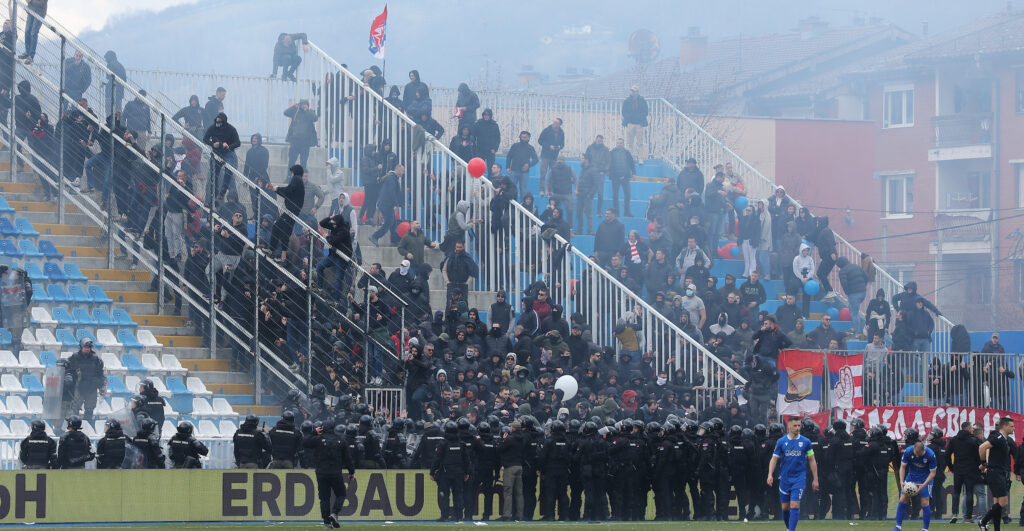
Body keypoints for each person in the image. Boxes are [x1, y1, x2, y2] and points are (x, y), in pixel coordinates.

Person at [767, 417, 819, 531]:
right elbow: (774, 459)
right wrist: (770, 474)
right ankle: (789, 528)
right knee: (785, 507)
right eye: (795, 426)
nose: (797, 428)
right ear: (789, 426)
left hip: (799, 478)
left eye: (799, 426)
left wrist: (815, 479)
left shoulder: (806, 442)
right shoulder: (781, 441)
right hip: (785, 478)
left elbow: (812, 460)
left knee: (795, 504)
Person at [303, 419, 356, 529]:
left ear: (322, 428)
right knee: (341, 494)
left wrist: (313, 432)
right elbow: (348, 458)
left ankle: (327, 522)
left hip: (321, 473)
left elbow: (304, 442)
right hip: (336, 473)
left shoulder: (318, 439)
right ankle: (334, 513)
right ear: (334, 428)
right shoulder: (341, 440)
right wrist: (351, 472)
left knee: (324, 498)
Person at [978, 417, 1014, 531]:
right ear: (1005, 426)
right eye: (1011, 426)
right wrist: (984, 463)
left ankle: (996, 529)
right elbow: (982, 447)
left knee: (998, 502)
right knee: (1003, 502)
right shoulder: (998, 437)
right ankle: (983, 521)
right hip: (995, 472)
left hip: (998, 472)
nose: (1013, 428)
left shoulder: (1003, 439)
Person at [892, 440, 938, 531]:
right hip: (911, 478)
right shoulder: (908, 451)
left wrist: (923, 485)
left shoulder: (930, 455)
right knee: (902, 499)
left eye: (919, 454)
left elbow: (933, 473)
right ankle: (898, 527)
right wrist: (901, 481)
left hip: (925, 478)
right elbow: (903, 467)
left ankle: (925, 529)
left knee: (924, 502)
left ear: (923, 450)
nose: (917, 456)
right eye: (915, 454)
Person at [432, 420, 471, 521]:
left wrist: (432, 472)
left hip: (445, 473)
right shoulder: (461, 444)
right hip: (459, 473)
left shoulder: (442, 443)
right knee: (458, 495)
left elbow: (437, 458)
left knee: (444, 496)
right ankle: (458, 516)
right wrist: (466, 472)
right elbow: (466, 460)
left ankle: (444, 516)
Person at [270, 164, 305, 261]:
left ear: (295, 172)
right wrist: (276, 190)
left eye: (292, 171)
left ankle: (280, 256)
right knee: (281, 229)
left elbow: (289, 190)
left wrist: (277, 189)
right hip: (293, 211)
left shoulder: (296, 179)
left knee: (281, 229)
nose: (292, 174)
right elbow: (289, 194)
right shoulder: (299, 181)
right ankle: (276, 253)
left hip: (291, 211)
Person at [203, 111, 241, 199]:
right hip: (216, 154)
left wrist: (228, 145)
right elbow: (205, 139)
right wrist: (213, 144)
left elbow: (237, 143)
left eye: (220, 121)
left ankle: (224, 189)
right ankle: (215, 195)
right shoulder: (212, 128)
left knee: (229, 169)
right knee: (214, 174)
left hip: (228, 153)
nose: (218, 123)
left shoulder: (231, 129)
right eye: (217, 121)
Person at [316, 211, 353, 299]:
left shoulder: (344, 231)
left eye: (335, 221)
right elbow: (322, 223)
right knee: (319, 266)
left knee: (338, 280)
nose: (333, 223)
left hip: (341, 258)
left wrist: (327, 237)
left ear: (339, 223)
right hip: (333, 255)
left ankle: (336, 300)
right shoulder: (335, 227)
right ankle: (319, 288)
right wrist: (330, 217)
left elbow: (333, 241)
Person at [66, 337, 105, 421]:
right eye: (85, 347)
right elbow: (69, 370)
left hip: (92, 387)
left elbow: (100, 374)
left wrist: (101, 386)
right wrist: (69, 377)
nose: (87, 349)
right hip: (78, 387)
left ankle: (87, 426)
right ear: (81, 347)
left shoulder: (96, 359)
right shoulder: (75, 357)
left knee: (90, 409)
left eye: (89, 347)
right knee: (74, 409)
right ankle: (73, 426)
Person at [369, 164, 405, 246]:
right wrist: (396, 203)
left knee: (394, 223)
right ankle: (375, 236)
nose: (403, 173)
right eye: (403, 171)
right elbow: (391, 191)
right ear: (398, 170)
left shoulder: (392, 177)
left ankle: (394, 241)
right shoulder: (392, 178)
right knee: (388, 223)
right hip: (387, 204)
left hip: (386, 203)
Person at [499, 419, 526, 521]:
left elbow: (500, 449)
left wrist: (503, 439)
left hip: (510, 467)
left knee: (508, 492)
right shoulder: (522, 438)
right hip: (519, 466)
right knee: (519, 493)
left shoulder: (510, 439)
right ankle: (520, 515)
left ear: (513, 428)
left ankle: (507, 515)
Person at [284, 99, 319, 167]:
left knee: (303, 162)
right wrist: (294, 106)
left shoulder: (310, 112)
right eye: (302, 104)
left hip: (305, 142)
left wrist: (307, 110)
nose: (303, 106)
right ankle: (289, 176)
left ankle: (302, 177)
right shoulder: (295, 111)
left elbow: (315, 118)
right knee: (291, 161)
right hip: (295, 141)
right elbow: (285, 113)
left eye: (305, 104)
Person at [506, 131, 538, 199]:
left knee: (523, 189)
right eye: (522, 137)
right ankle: (511, 204)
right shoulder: (515, 146)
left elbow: (536, 160)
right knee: (511, 188)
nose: (523, 139)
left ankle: (522, 206)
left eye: (525, 137)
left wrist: (528, 165)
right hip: (514, 170)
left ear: (528, 138)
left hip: (524, 172)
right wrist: (508, 167)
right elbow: (509, 156)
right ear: (520, 137)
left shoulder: (530, 148)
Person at [608, 138, 635, 217]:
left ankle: (627, 212)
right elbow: (607, 163)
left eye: (621, 143)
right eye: (618, 143)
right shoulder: (611, 153)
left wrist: (634, 173)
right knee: (615, 196)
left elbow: (631, 163)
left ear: (623, 144)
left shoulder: (627, 153)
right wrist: (608, 171)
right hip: (615, 178)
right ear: (616, 144)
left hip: (625, 177)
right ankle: (616, 213)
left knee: (628, 195)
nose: (619, 144)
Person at [538, 118, 565, 196]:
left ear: (560, 124)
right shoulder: (547, 130)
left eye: (556, 122)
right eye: (554, 122)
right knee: (543, 173)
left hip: (554, 156)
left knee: (553, 173)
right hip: (545, 155)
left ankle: (551, 190)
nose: (554, 123)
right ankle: (542, 190)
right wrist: (549, 146)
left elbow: (563, 144)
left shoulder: (561, 132)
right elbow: (540, 141)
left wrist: (560, 146)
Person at [622, 85, 649, 160]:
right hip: (630, 123)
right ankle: (630, 158)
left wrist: (639, 117)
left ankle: (640, 157)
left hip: (639, 124)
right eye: (631, 91)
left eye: (634, 91)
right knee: (629, 142)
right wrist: (629, 117)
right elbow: (624, 112)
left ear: (637, 92)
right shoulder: (627, 101)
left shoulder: (642, 100)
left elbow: (646, 111)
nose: (632, 92)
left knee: (640, 142)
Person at [20, 0, 47, 65]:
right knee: (27, 31)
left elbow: (41, 3)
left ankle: (31, 56)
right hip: (31, 11)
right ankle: (27, 52)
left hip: (39, 13)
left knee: (33, 33)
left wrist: (31, 1)